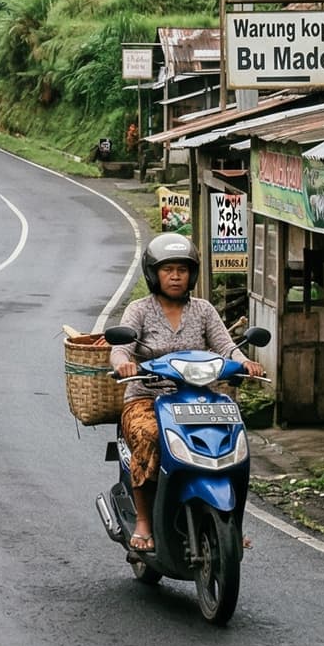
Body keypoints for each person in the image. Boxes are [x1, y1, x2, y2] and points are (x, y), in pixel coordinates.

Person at [112, 232, 263, 553]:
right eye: (168, 270)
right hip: (147, 399)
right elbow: (120, 350)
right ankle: (143, 520)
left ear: (192, 273)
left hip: (199, 400)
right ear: (154, 273)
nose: (176, 276)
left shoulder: (204, 310)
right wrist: (124, 363)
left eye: (182, 269)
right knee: (151, 437)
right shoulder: (139, 311)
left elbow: (226, 346)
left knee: (233, 442)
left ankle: (232, 523)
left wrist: (245, 362)